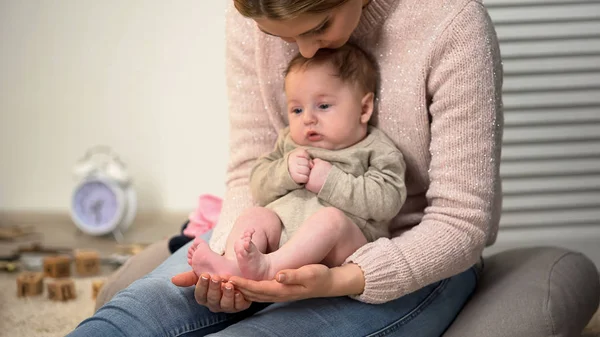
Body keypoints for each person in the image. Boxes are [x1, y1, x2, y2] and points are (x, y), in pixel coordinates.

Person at [68, 0, 503, 336]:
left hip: (404, 255)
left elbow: (460, 222)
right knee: (129, 318)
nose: (306, 51)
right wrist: (229, 261)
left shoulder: (452, 24)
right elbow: (250, 172)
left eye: (318, 26)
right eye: (275, 34)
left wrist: (341, 281)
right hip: (274, 237)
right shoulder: (250, 15)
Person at [185, 44, 406, 282]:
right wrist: (285, 171)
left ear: (364, 109)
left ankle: (268, 268)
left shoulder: (376, 148)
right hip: (285, 238)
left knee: (330, 220)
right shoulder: (289, 142)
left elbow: (388, 201)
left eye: (323, 106)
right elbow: (259, 184)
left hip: (343, 248)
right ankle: (232, 266)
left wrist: (331, 182)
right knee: (256, 215)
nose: (308, 119)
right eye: (297, 109)